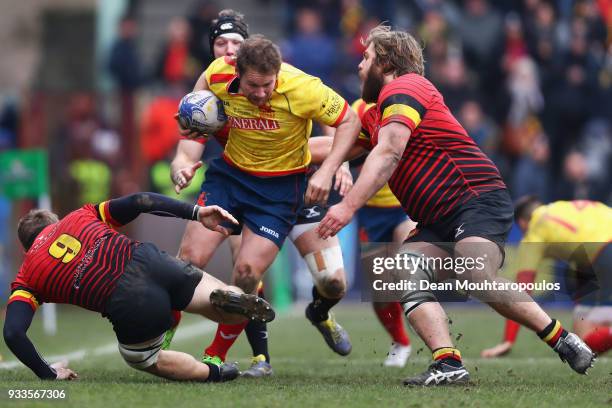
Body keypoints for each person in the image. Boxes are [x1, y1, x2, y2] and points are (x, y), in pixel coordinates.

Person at [315, 25, 596, 386]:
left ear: (385, 62)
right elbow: (330, 149)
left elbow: (389, 151)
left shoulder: (407, 87)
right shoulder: (376, 113)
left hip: (474, 199)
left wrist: (346, 207)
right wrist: (250, 146)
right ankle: (448, 363)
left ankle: (562, 339)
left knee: (474, 268)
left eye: (366, 57)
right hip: (435, 218)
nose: (358, 66)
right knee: (401, 268)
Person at [170, 18, 361, 376]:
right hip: (231, 180)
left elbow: (349, 122)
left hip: (285, 189)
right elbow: (192, 109)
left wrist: (331, 168)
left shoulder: (304, 88)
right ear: (237, 70)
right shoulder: (216, 74)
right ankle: (166, 344)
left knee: (254, 274)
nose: (260, 94)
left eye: (268, 85)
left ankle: (315, 314)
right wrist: (188, 122)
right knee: (187, 261)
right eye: (252, 86)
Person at [3, 192, 275, 382]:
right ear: (55, 223)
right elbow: (140, 201)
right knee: (222, 306)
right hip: (152, 261)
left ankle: (214, 373)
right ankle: (233, 298)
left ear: (27, 248)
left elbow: (13, 332)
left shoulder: (28, 275)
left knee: (143, 358)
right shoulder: (78, 216)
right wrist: (195, 212)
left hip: (129, 301)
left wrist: (48, 374)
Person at [482, 197, 612, 357]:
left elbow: (520, 293)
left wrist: (508, 340)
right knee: (582, 340)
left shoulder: (535, 231)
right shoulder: (563, 207)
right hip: (595, 257)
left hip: (604, 252)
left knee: (582, 347)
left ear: (522, 223)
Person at [352, 98, 416, 367]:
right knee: (381, 289)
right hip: (370, 210)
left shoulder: (408, 107)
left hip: (405, 206)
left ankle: (440, 344)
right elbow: (345, 149)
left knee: (409, 271)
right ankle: (401, 342)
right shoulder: (358, 110)